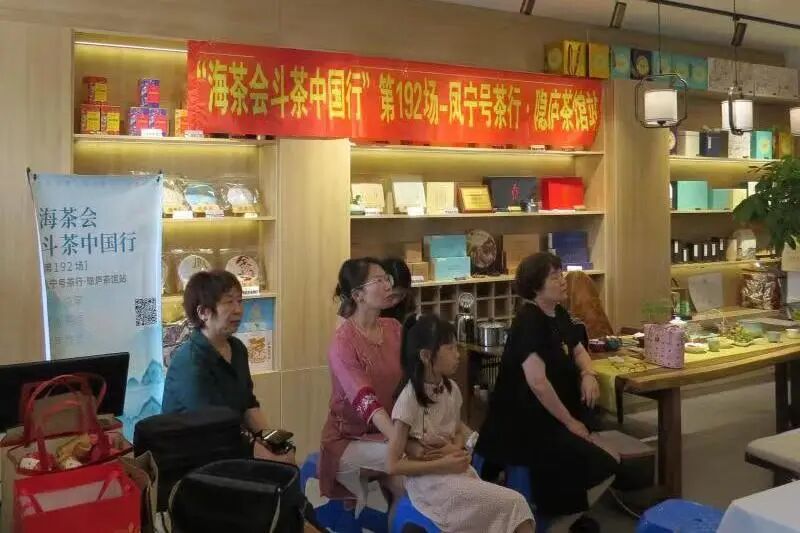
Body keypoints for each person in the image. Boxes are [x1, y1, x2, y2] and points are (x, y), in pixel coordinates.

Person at [475, 252, 619, 528]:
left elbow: (579, 349)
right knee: (603, 462)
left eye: (561, 274)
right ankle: (555, 523)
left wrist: (588, 374)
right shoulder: (529, 321)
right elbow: (538, 383)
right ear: (535, 287)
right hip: (528, 425)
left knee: (607, 454)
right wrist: (570, 423)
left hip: (556, 415)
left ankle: (568, 515)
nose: (563, 281)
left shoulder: (558, 313)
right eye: (554, 277)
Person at [387, 314, 535, 533]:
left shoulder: (451, 389)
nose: (458, 355)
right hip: (430, 483)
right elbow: (392, 465)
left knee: (512, 507)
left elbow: (455, 429)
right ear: (426, 356)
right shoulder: (409, 400)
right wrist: (442, 464)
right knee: (516, 503)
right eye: (450, 348)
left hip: (456, 471)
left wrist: (455, 448)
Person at [162, 270, 293, 463]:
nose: (238, 310)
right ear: (203, 312)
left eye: (239, 301)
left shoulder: (237, 348)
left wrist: (271, 441)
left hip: (230, 445)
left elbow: (248, 405)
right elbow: (213, 427)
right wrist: (268, 458)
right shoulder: (189, 363)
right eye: (228, 302)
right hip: (196, 458)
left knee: (286, 458)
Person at [319, 257, 406, 512]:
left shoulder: (394, 328)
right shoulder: (342, 342)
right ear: (358, 295)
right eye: (379, 280)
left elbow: (412, 380)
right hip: (348, 439)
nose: (388, 285)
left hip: (388, 432)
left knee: (411, 480)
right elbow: (366, 401)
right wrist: (399, 440)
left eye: (387, 279)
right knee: (411, 471)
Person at [380, 257, 416, 324]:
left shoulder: (407, 302)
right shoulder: (370, 307)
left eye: (402, 295)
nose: (396, 301)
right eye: (392, 296)